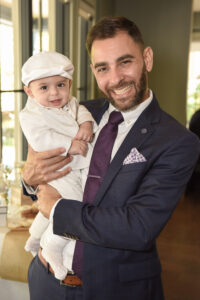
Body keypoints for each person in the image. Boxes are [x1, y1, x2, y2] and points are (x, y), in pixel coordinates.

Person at [22, 17, 200, 300]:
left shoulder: (177, 141)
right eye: (103, 68)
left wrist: (56, 210)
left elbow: (137, 228)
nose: (115, 78)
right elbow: (42, 168)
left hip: (114, 290)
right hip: (45, 280)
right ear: (93, 71)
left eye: (125, 62)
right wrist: (30, 180)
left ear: (147, 58)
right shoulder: (76, 113)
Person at [20, 51, 96, 281]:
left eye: (60, 85)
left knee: (54, 207)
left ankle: (34, 237)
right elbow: (39, 140)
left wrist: (86, 123)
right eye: (44, 87)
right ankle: (52, 244)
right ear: (29, 91)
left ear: (69, 84)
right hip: (57, 168)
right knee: (73, 205)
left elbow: (80, 109)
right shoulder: (31, 114)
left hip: (76, 167)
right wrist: (68, 144)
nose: (54, 92)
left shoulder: (71, 103)